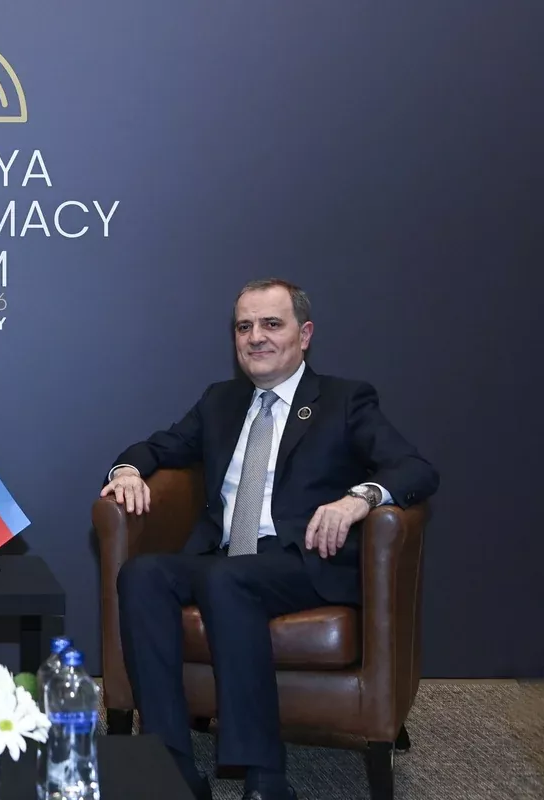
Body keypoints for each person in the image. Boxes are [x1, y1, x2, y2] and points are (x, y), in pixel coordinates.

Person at [100, 278, 438, 800]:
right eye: (244, 327)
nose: (255, 337)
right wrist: (126, 470)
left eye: (271, 324)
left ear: (304, 335)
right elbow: (158, 447)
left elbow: (415, 468)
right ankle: (171, 767)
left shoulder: (344, 400)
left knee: (226, 579)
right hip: (224, 556)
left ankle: (266, 777)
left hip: (302, 560)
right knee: (142, 574)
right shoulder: (220, 401)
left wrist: (360, 498)